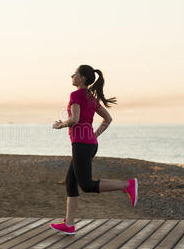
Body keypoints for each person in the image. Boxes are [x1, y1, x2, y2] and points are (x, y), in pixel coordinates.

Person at [50, 64, 138, 235]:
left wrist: (60, 124)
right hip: (89, 144)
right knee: (71, 182)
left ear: (82, 78)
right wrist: (94, 135)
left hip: (82, 144)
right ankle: (69, 224)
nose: (72, 76)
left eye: (74, 73)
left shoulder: (76, 94)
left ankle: (128, 185)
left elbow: (74, 119)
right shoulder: (91, 96)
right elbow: (108, 119)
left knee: (87, 185)